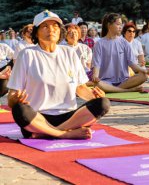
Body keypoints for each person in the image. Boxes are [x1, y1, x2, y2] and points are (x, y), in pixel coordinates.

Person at [8, 10, 110, 139]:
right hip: (38, 118)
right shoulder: (27, 54)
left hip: (69, 117)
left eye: (55, 26)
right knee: (19, 110)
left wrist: (94, 96)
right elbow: (11, 97)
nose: (51, 29)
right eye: (45, 26)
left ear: (60, 31)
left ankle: (53, 132)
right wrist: (15, 99)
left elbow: (80, 88)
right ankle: (64, 134)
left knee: (103, 103)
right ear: (36, 32)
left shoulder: (70, 53)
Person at [92, 13, 147, 93]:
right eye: (118, 24)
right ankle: (127, 90)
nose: (120, 27)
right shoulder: (99, 44)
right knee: (97, 84)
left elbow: (133, 66)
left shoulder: (124, 43)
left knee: (143, 76)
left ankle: (114, 90)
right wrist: (95, 76)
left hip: (124, 81)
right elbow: (96, 65)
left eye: (121, 24)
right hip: (106, 81)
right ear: (109, 25)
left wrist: (144, 70)